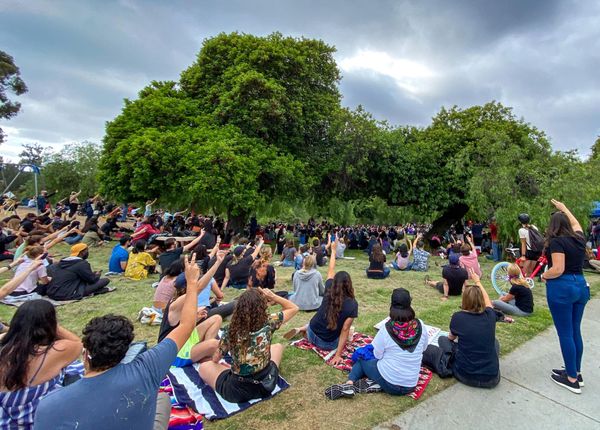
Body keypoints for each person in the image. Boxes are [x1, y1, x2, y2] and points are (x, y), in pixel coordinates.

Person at [34, 254, 210, 430]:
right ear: (126, 351)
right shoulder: (148, 368)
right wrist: (192, 282)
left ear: (86, 353)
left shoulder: (49, 406)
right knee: (162, 398)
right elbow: (187, 325)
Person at [198, 288, 299, 403]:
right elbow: (294, 308)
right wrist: (273, 296)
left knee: (204, 367)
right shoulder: (270, 322)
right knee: (278, 347)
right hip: (267, 383)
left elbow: (216, 358)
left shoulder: (231, 330)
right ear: (262, 307)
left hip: (237, 390)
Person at [325, 288, 428, 399]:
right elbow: (424, 348)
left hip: (391, 382)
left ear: (391, 305)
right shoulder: (420, 325)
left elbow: (377, 355)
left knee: (361, 360)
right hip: (411, 384)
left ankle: (349, 384)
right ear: (410, 304)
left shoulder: (387, 329)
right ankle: (376, 384)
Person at [0, 300, 82, 429]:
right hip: (43, 419)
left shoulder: (5, 352)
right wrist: (51, 324)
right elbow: (77, 343)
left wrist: (13, 333)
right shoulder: (53, 352)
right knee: (77, 370)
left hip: (9, 421)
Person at [540, 200, 588, 394]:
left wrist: (544, 275)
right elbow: (577, 224)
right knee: (575, 330)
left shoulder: (557, 241)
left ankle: (571, 379)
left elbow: (557, 269)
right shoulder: (579, 239)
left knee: (565, 333)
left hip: (563, 287)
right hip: (580, 285)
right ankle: (575, 370)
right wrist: (565, 208)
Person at [423, 269, 500, 388]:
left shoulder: (458, 317)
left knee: (443, 340)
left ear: (465, 300)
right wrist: (478, 282)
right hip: (492, 378)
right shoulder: (490, 315)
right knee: (494, 342)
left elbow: (450, 338)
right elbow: (488, 301)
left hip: (464, 374)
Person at [284, 250, 358, 365]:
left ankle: (302, 329)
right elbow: (344, 330)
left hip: (311, 331)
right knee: (349, 331)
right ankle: (302, 329)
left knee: (324, 318)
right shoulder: (352, 304)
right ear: (349, 284)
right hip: (326, 344)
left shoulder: (329, 288)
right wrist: (338, 355)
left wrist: (333, 251)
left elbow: (331, 269)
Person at [157, 253, 227, 367]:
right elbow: (199, 287)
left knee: (217, 318)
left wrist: (196, 317)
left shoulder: (183, 301)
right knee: (215, 344)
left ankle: (204, 355)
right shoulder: (176, 304)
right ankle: (208, 356)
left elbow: (183, 324)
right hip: (174, 352)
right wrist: (217, 264)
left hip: (185, 339)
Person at [45, 244, 112, 301]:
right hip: (67, 294)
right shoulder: (81, 263)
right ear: (82, 252)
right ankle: (96, 291)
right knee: (105, 280)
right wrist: (97, 275)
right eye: (86, 251)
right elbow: (92, 280)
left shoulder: (63, 261)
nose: (88, 252)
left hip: (52, 292)